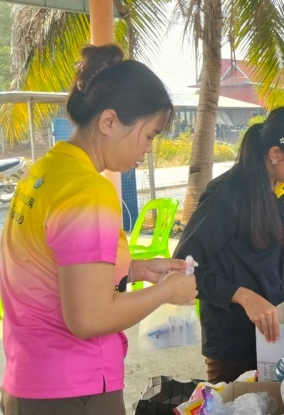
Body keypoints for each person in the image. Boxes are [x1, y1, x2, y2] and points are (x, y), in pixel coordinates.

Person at [0, 45, 197, 415]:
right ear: (108, 122)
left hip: (28, 378)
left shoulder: (44, 172)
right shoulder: (88, 191)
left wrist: (134, 270)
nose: (148, 150)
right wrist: (167, 292)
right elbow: (89, 318)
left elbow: (51, 266)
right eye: (149, 135)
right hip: (73, 389)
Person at [174, 107, 284, 384]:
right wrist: (243, 296)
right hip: (235, 341)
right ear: (276, 153)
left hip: (275, 332)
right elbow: (182, 267)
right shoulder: (226, 196)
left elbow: (261, 251)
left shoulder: (280, 189)